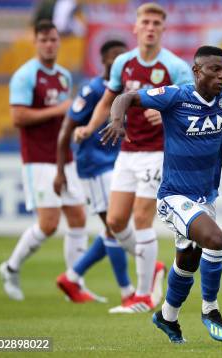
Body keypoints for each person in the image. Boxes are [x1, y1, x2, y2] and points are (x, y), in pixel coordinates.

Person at [100, 45, 222, 343]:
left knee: (188, 260)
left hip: (205, 198)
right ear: (196, 72)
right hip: (173, 197)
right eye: (215, 70)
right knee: (215, 239)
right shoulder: (175, 96)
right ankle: (210, 309)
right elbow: (125, 97)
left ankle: (167, 316)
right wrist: (118, 120)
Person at [74, 2, 193, 313]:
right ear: (136, 27)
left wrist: (167, 111)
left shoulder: (175, 67)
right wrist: (89, 127)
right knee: (114, 221)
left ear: (163, 29)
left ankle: (141, 296)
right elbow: (108, 100)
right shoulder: (123, 64)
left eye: (156, 22)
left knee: (142, 219)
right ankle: (152, 266)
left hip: (158, 153)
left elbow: (192, 106)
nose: (151, 27)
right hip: (127, 151)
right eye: (146, 22)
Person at [0, 20, 86, 301]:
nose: (49, 44)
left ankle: (73, 283)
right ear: (35, 42)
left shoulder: (63, 76)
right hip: (37, 158)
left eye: (53, 39)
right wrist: (57, 109)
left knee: (78, 217)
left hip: (64, 155)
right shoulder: (26, 76)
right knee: (49, 224)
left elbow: (65, 116)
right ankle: (10, 267)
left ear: (59, 42)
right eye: (44, 40)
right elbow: (18, 117)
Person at [54, 39, 137, 305]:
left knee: (114, 226)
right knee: (114, 226)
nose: (119, 61)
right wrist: (60, 170)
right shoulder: (92, 89)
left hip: (114, 164)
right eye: (114, 56)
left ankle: (72, 275)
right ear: (103, 60)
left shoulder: (125, 92)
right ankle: (127, 292)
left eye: (123, 56)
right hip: (94, 164)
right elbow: (68, 128)